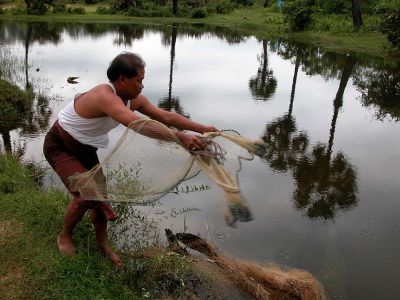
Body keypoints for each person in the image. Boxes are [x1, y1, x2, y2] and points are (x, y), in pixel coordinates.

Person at [43, 52, 218, 267]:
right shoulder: (104, 95)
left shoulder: (133, 100)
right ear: (122, 79)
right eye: (139, 80)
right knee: (85, 195)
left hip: (85, 149)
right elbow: (138, 124)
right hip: (60, 146)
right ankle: (65, 236)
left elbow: (166, 117)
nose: (142, 86)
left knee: (99, 200)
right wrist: (179, 137)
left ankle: (103, 246)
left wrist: (203, 128)